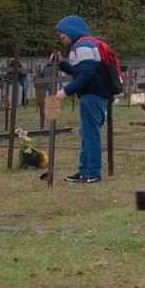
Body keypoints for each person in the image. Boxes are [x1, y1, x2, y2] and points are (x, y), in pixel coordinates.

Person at [54, 15, 112, 183]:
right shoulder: (85, 44)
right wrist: (61, 63)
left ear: (71, 30)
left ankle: (92, 173)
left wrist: (66, 90)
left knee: (91, 135)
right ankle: (84, 170)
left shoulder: (83, 45)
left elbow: (87, 74)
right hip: (94, 96)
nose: (62, 38)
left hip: (92, 96)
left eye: (62, 34)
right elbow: (80, 71)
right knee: (86, 134)